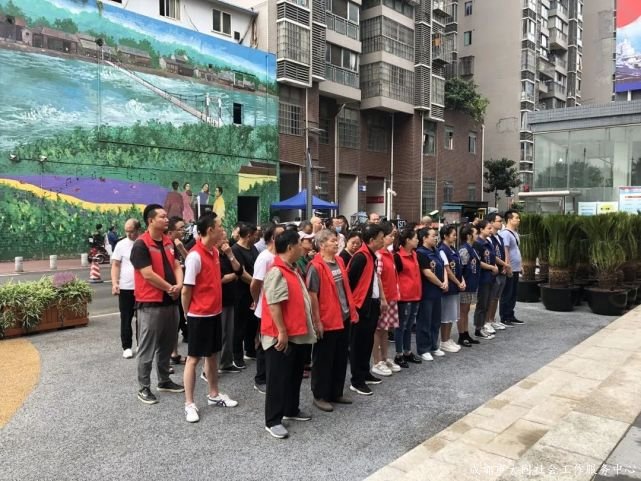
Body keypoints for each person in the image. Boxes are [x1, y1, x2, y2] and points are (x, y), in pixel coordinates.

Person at [182, 213, 238, 423]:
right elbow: (186, 290)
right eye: (220, 226)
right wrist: (187, 315)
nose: (223, 230)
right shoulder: (194, 256)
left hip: (215, 312)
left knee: (213, 355)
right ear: (210, 230)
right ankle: (189, 403)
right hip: (199, 315)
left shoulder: (214, 251)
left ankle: (214, 394)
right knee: (193, 359)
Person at [262, 229, 317, 439]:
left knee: (294, 374)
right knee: (277, 378)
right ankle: (273, 420)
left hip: (297, 332)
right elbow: (274, 304)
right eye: (300, 244)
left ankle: (291, 409)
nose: (303, 247)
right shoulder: (277, 270)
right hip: (282, 335)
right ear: (290, 247)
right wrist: (282, 331)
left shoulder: (291, 268)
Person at [130, 204, 185, 405]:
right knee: (147, 348)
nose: (166, 219)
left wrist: (179, 285)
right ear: (150, 220)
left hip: (171, 302)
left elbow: (177, 265)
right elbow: (147, 274)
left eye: (166, 216)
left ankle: (164, 380)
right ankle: (144, 387)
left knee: (167, 344)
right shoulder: (141, 245)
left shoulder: (169, 242)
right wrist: (170, 287)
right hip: (150, 303)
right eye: (162, 216)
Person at [306, 229, 358, 412]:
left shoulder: (339, 261)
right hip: (327, 319)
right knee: (323, 359)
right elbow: (312, 295)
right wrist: (317, 321)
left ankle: (336, 392)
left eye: (336, 240)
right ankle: (320, 395)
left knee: (340, 357)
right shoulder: (315, 266)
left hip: (343, 316)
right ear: (322, 245)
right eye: (332, 241)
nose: (337, 243)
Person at [347, 223, 386, 396]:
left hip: (371, 304)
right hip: (361, 306)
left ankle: (364, 372)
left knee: (367, 341)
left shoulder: (371, 255)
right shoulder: (361, 257)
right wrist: (354, 307)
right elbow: (349, 283)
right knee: (358, 344)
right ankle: (357, 381)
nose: (383, 241)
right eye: (381, 238)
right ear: (371, 240)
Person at [250, 223, 285, 393]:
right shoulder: (264, 258)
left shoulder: (280, 255)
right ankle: (261, 378)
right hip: (265, 308)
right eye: (281, 235)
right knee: (264, 344)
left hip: (277, 307)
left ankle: (273, 376)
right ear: (272, 238)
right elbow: (255, 284)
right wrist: (256, 300)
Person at [111, 218, 141, 359]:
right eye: (126, 231)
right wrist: (115, 283)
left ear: (138, 230)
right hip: (126, 287)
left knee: (142, 318)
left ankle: (141, 344)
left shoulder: (143, 243)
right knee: (126, 318)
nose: (129, 234)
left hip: (142, 287)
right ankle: (127, 346)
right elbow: (116, 265)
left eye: (132, 231)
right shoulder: (121, 244)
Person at [416, 227, 447, 361]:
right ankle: (423, 348)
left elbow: (443, 266)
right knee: (425, 321)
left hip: (437, 292)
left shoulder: (436, 250)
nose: (436, 238)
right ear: (424, 238)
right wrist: (441, 284)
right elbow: (427, 273)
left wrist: (445, 282)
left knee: (435, 320)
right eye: (433, 236)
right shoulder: (421, 253)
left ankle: (434, 345)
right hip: (427, 292)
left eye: (436, 236)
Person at [372, 221, 399, 377]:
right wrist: (382, 298)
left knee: (385, 329)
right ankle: (377, 361)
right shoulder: (379, 255)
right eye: (390, 235)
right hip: (383, 298)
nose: (392, 238)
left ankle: (385, 357)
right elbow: (378, 278)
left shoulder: (388, 254)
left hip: (391, 297)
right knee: (378, 330)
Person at [231, 223, 259, 368]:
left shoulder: (253, 248)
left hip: (253, 291)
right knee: (239, 325)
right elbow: (241, 273)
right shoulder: (235, 249)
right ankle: (237, 356)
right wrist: (256, 282)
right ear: (248, 235)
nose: (257, 238)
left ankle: (250, 349)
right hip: (241, 292)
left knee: (252, 322)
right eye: (255, 235)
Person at [394, 228, 423, 368]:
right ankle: (399, 354)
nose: (417, 240)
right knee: (401, 326)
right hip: (404, 297)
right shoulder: (398, 256)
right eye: (415, 238)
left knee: (410, 325)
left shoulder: (414, 254)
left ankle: (407, 351)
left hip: (415, 295)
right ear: (407, 240)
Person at [218, 229, 244, 374]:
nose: (227, 242)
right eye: (224, 239)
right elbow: (220, 279)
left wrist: (230, 254)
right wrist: (235, 275)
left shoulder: (227, 254)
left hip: (231, 298)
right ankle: (212, 367)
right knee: (220, 334)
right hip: (220, 300)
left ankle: (226, 363)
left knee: (229, 333)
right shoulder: (214, 256)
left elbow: (239, 269)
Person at [438, 225, 464, 353]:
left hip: (456, 285)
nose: (455, 237)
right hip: (450, 287)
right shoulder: (442, 250)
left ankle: (448, 339)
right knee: (446, 315)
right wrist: (458, 282)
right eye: (453, 235)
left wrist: (462, 280)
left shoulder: (453, 249)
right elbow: (447, 270)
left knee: (452, 314)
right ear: (445, 236)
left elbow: (458, 267)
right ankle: (444, 340)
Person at [168, 216, 189, 364]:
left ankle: (174, 353)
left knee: (176, 322)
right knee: (168, 326)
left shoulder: (180, 244)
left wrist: (181, 248)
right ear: (171, 231)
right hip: (170, 289)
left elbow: (190, 260)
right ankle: (165, 359)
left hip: (181, 289)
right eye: (180, 228)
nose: (183, 231)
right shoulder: (165, 246)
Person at [473, 220, 499, 340]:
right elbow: (478, 261)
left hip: (491, 277)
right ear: (481, 229)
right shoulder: (478, 243)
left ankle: (483, 325)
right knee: (482, 304)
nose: (490, 230)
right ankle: (478, 328)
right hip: (483, 277)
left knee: (488, 303)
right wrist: (491, 267)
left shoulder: (488, 242)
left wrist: (495, 266)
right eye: (488, 228)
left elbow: (492, 257)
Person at [487, 213, 511, 333]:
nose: (501, 223)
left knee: (497, 297)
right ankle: (487, 321)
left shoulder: (499, 237)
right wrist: (504, 264)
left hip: (503, 270)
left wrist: (506, 264)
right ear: (491, 222)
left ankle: (492, 319)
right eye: (499, 221)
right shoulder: (489, 238)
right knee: (491, 297)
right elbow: (492, 255)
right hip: (495, 271)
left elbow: (505, 251)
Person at [499, 210, 524, 326]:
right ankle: (504, 317)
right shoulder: (505, 234)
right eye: (516, 218)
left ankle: (510, 315)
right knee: (507, 293)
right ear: (509, 220)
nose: (518, 220)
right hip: (510, 268)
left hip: (516, 268)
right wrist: (507, 265)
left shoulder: (515, 233)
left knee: (513, 293)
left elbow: (516, 250)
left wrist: (521, 265)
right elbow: (506, 250)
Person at [458, 225, 481, 347]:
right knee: (462, 311)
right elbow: (461, 269)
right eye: (475, 233)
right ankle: (461, 335)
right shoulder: (464, 250)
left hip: (472, 284)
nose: (477, 235)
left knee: (466, 310)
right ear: (468, 236)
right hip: (465, 285)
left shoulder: (472, 248)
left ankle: (466, 333)